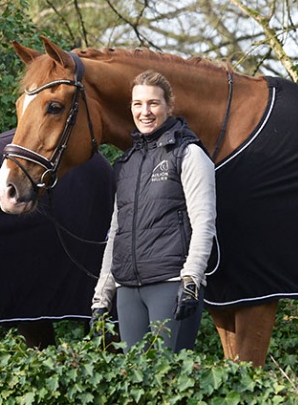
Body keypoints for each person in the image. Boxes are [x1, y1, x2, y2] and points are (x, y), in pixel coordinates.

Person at [90, 70, 216, 352]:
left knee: (169, 380)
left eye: (153, 103)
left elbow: (204, 223)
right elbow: (116, 232)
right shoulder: (125, 164)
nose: (144, 111)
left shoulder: (189, 154)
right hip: (128, 290)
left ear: (169, 106)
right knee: (135, 384)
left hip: (171, 283)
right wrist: (102, 296)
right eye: (137, 104)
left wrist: (191, 281)